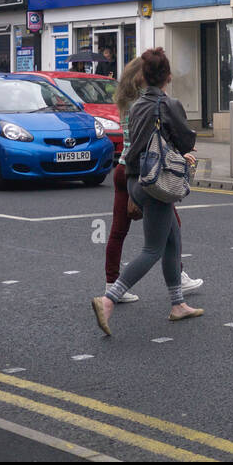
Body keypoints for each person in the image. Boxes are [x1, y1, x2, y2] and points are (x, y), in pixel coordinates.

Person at [92, 48, 202, 335]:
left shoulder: (137, 104)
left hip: (134, 179)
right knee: (152, 249)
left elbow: (138, 146)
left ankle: (178, 304)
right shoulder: (168, 104)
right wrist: (185, 151)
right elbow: (186, 139)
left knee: (172, 240)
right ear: (167, 76)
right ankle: (108, 300)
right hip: (157, 183)